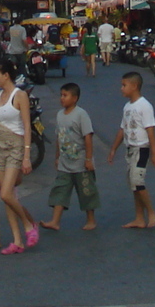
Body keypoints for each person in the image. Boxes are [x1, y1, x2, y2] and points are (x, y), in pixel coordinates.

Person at [0, 60, 40, 254]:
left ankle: (28, 225)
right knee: (7, 198)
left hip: (15, 145)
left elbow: (26, 126)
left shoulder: (20, 95)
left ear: (6, 75)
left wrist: (27, 155)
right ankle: (17, 240)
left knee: (6, 193)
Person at [41, 82, 98, 232]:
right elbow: (59, 138)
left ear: (75, 98)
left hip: (81, 163)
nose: (62, 98)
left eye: (65, 95)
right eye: (61, 95)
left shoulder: (81, 114)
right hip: (65, 163)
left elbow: (88, 137)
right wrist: (57, 156)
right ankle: (55, 221)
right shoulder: (60, 115)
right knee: (60, 189)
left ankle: (91, 219)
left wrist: (88, 159)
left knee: (86, 190)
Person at [107, 70, 155, 228]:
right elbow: (122, 129)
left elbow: (150, 130)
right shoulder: (127, 107)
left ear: (134, 86)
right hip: (130, 149)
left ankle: (151, 212)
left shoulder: (144, 106)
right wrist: (113, 149)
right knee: (133, 184)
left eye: (124, 85)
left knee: (138, 181)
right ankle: (139, 217)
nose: (121, 88)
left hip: (141, 148)